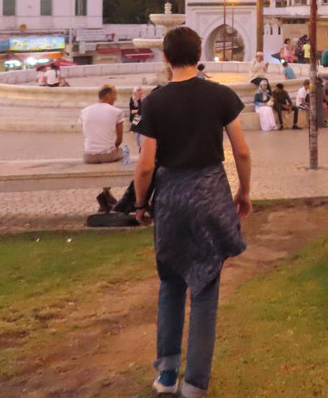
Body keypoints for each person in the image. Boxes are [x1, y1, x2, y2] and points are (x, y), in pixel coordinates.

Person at [133, 26, 251, 396]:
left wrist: (140, 204)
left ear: (165, 57)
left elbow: (146, 165)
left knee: (170, 284)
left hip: (170, 199)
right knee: (205, 289)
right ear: (200, 53)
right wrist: (244, 192)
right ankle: (196, 384)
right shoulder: (221, 95)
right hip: (210, 195)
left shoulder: (154, 102)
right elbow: (242, 151)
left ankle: (167, 376)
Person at [81, 84, 125, 212]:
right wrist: (113, 147)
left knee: (106, 156)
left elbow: (86, 132)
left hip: (89, 155)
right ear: (107, 96)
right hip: (108, 154)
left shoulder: (85, 111)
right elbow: (119, 140)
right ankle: (106, 192)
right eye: (114, 95)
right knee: (121, 153)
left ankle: (106, 196)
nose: (115, 98)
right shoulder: (117, 112)